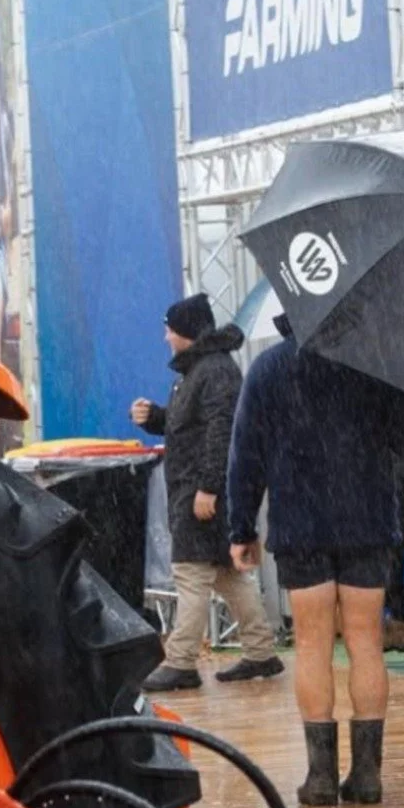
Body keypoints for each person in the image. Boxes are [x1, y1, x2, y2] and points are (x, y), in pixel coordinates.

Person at [226, 315, 404, 807]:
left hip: (302, 524)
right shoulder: (372, 360)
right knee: (366, 642)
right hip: (366, 519)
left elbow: (245, 452)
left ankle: (320, 778)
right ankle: (367, 775)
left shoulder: (269, 368)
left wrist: (241, 526)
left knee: (313, 643)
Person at [132, 293, 282, 693]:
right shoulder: (203, 370)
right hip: (199, 489)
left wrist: (208, 488)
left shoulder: (212, 372)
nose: (165, 336)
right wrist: (156, 419)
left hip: (199, 492)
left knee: (191, 575)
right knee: (228, 576)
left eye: (169, 328)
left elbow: (222, 431)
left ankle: (180, 661)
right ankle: (261, 652)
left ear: (186, 331)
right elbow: (194, 427)